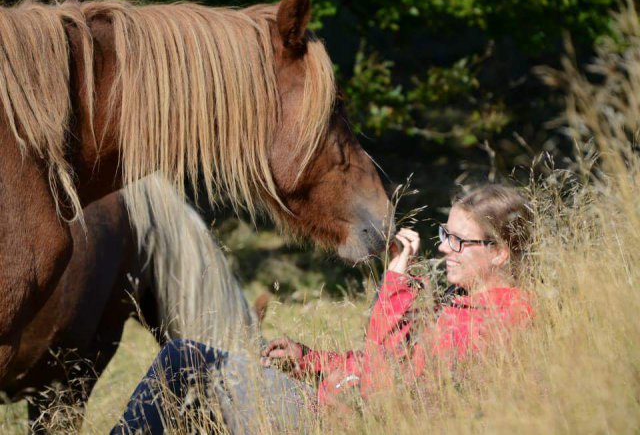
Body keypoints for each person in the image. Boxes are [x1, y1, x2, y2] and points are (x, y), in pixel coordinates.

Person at [110, 184, 534, 434]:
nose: (443, 246)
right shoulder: (466, 305)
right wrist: (311, 359)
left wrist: (398, 282)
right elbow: (378, 365)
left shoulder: (494, 324)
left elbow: (385, 391)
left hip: (325, 422)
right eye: (445, 233)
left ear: (500, 253)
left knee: (183, 361)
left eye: (459, 240)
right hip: (326, 401)